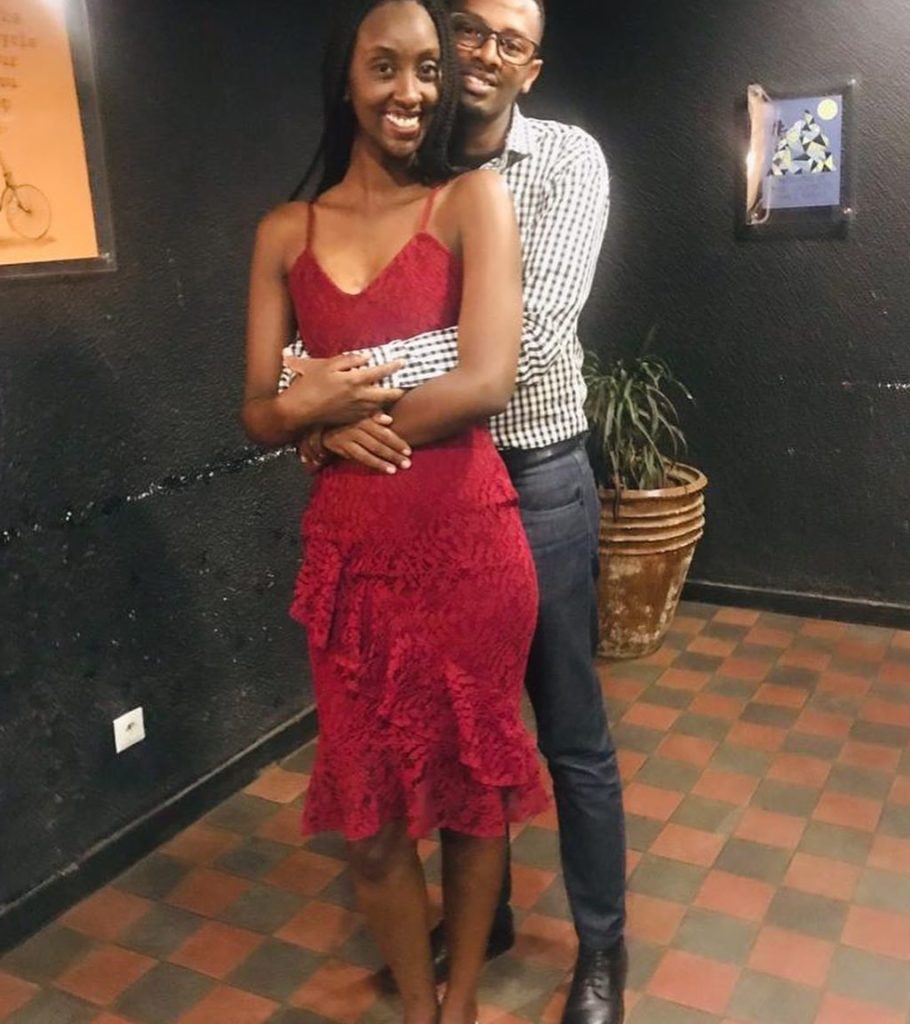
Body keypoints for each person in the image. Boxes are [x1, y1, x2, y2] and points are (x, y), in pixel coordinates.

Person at [284, 2, 628, 1022]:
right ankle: (494, 918)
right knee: (463, 731)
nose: (484, 53)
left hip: (535, 477)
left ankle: (602, 946)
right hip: (422, 488)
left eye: (510, 42)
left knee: (568, 730)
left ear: (532, 68)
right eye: (470, 28)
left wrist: (335, 398)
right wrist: (311, 393)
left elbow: (522, 339)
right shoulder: (411, 163)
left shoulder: (564, 162)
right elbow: (332, 308)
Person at [241, 3, 549, 1022]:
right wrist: (306, 421)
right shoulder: (283, 232)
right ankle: (419, 1008)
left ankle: (458, 1005)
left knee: (472, 799)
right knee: (371, 823)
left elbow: (488, 379)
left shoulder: (471, 200)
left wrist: (335, 425)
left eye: (428, 69)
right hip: (352, 569)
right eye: (386, 66)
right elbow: (258, 410)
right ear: (348, 78)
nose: (411, 91)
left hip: (471, 547)